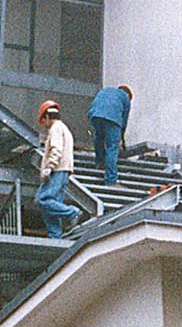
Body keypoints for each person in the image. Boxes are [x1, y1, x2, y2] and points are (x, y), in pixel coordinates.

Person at [35, 99, 81, 238]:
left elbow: (56, 148)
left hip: (57, 170)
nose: (45, 125)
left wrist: (50, 166)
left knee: (43, 199)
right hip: (62, 170)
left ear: (47, 117)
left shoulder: (55, 128)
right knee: (53, 206)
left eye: (44, 121)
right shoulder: (63, 128)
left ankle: (72, 212)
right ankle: (55, 236)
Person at [86, 84, 133, 186]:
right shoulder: (125, 97)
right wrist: (122, 139)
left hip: (95, 115)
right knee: (112, 147)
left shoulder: (106, 90)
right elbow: (124, 121)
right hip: (112, 118)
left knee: (99, 138)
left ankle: (100, 163)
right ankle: (111, 181)